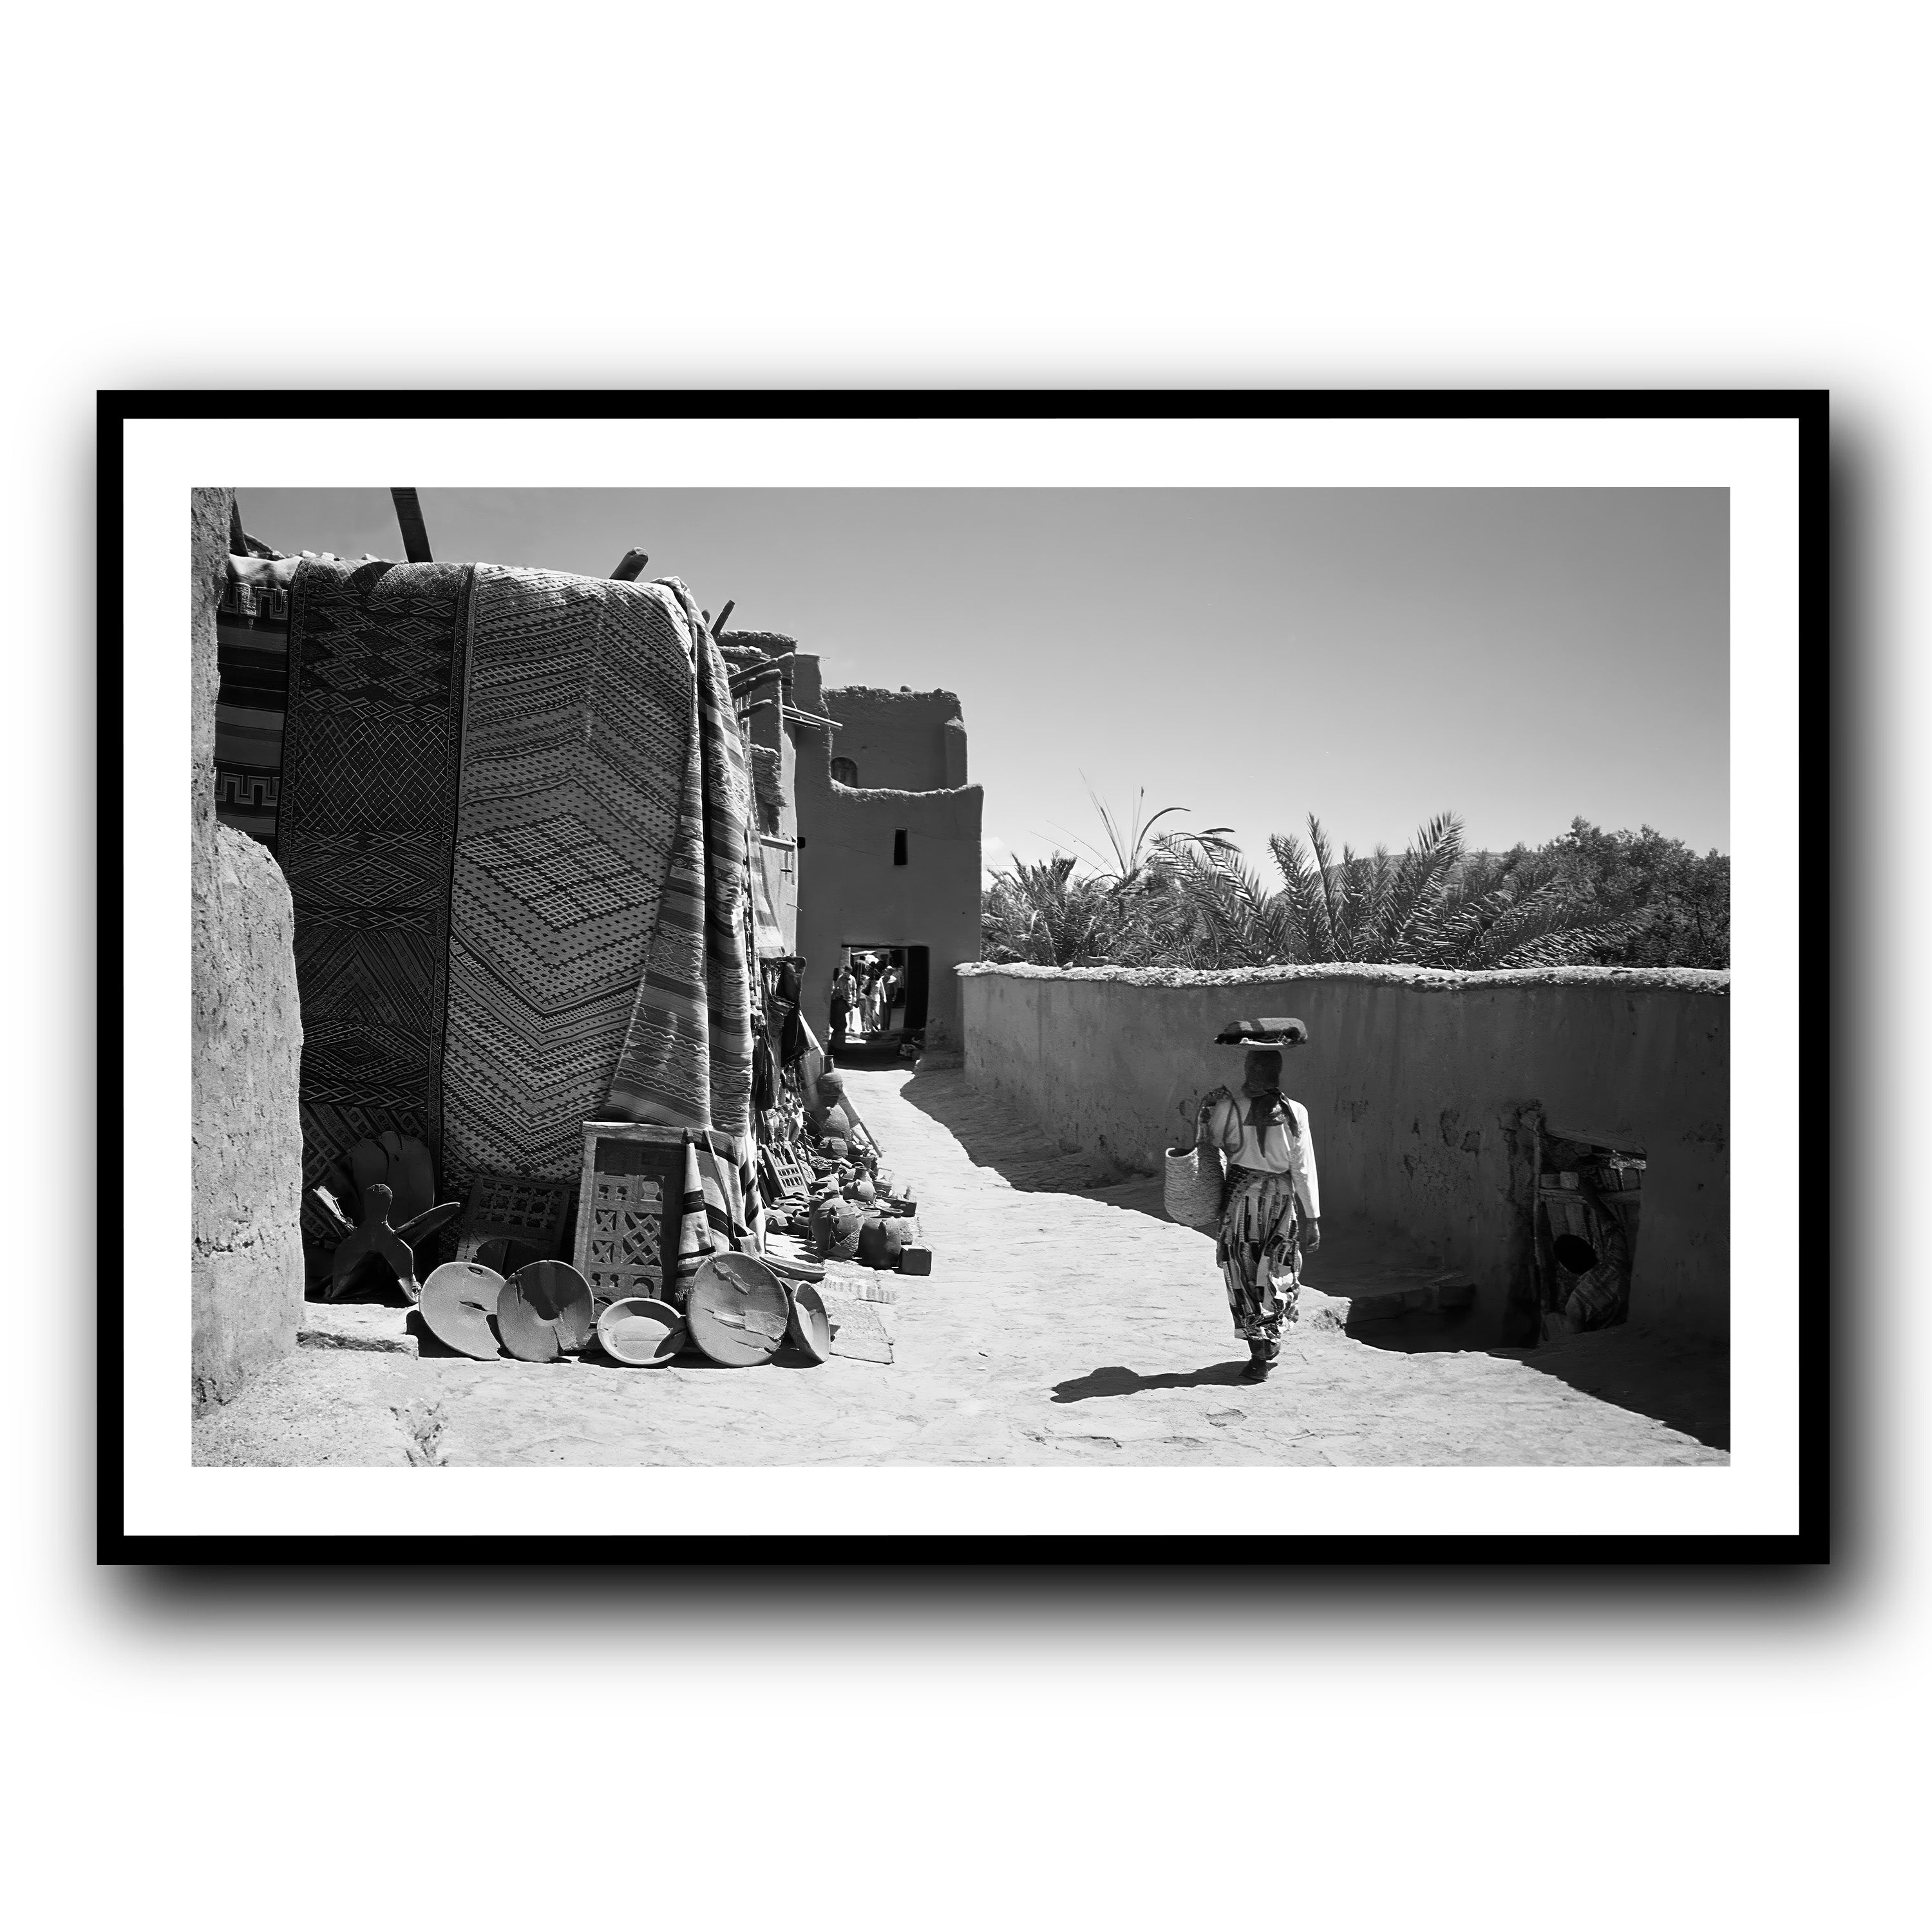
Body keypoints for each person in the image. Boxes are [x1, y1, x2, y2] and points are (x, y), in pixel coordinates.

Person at [1197, 1018, 1322, 1383]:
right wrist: (1312, 1217)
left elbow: (1206, 1148)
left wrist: (1205, 1115)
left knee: (1243, 1271)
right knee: (1277, 1268)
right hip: (1282, 1203)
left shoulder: (1227, 1107)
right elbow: (1303, 1168)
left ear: (1248, 1070)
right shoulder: (1295, 1112)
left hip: (1240, 1202)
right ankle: (1267, 1343)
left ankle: (1259, 1351)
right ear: (1278, 1074)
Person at [829, 961, 856, 1046]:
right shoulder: (840, 978)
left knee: (850, 1014)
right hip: (842, 999)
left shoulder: (852, 979)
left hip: (849, 999)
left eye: (846, 971)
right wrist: (834, 995)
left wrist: (854, 998)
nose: (844, 972)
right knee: (841, 1019)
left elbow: (854, 989)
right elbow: (836, 988)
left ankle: (850, 1027)